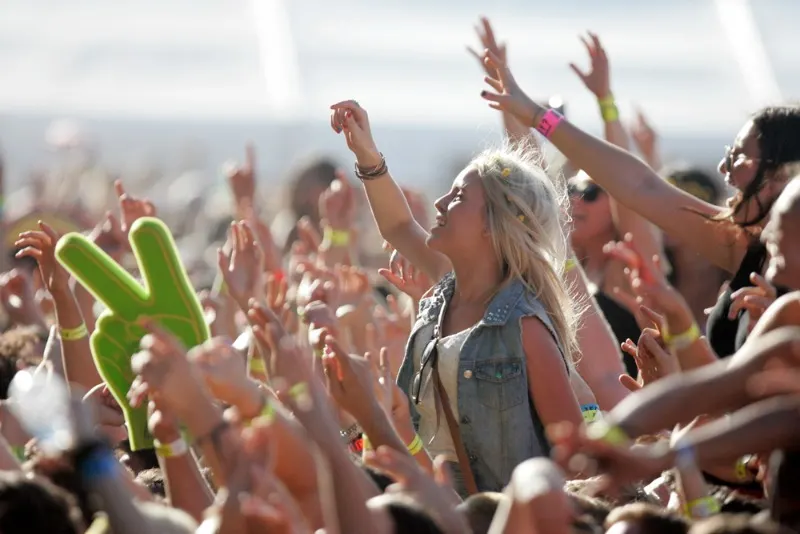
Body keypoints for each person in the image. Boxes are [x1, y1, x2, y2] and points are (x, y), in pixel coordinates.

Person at [329, 99, 584, 495]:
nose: (440, 203)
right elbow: (398, 225)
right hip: (433, 510)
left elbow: (576, 454)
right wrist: (367, 154)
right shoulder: (447, 292)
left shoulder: (526, 328)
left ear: (493, 225)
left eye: (459, 196)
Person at [478, 50, 800, 358]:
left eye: (739, 156)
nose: (723, 168)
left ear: (783, 173)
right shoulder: (745, 246)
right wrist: (538, 117)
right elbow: (640, 185)